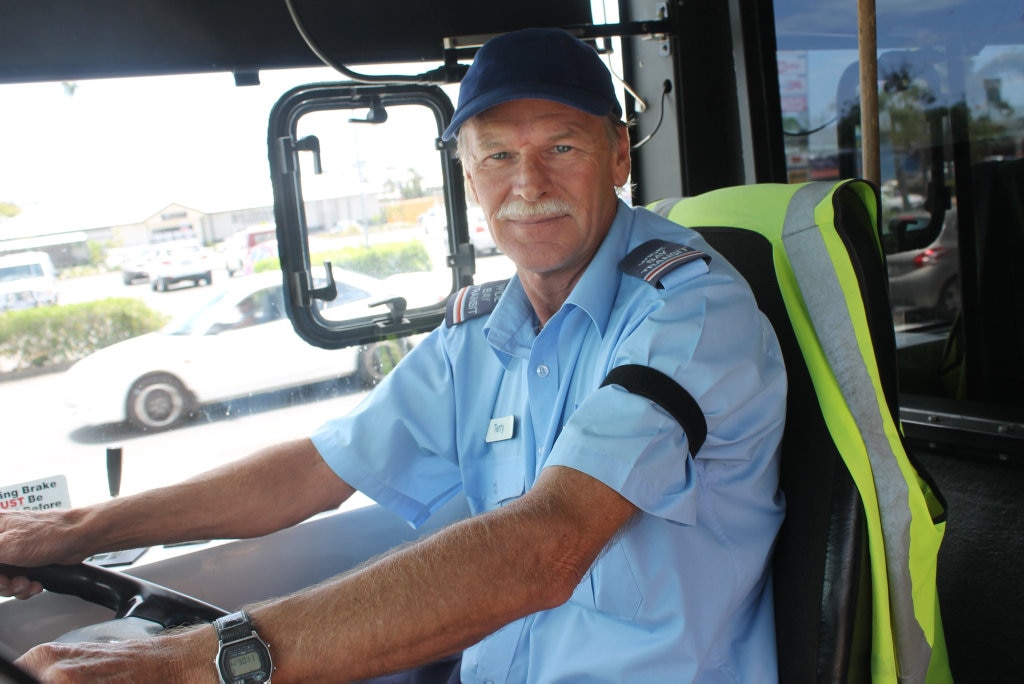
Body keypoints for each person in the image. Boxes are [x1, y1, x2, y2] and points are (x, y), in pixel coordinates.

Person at [0, 27, 786, 683]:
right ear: (467, 173)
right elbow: (310, 471)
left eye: (562, 145)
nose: (529, 183)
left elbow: (543, 547)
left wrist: (196, 663)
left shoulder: (689, 310)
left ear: (618, 156)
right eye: (497, 156)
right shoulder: (478, 334)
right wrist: (76, 528)